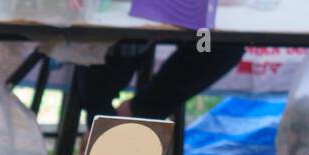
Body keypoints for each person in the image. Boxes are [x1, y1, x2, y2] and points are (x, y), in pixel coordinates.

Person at [74, 40, 247, 121]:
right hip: (115, 22)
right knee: (113, 49)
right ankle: (101, 128)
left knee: (220, 47)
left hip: (193, 18)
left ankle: (136, 114)